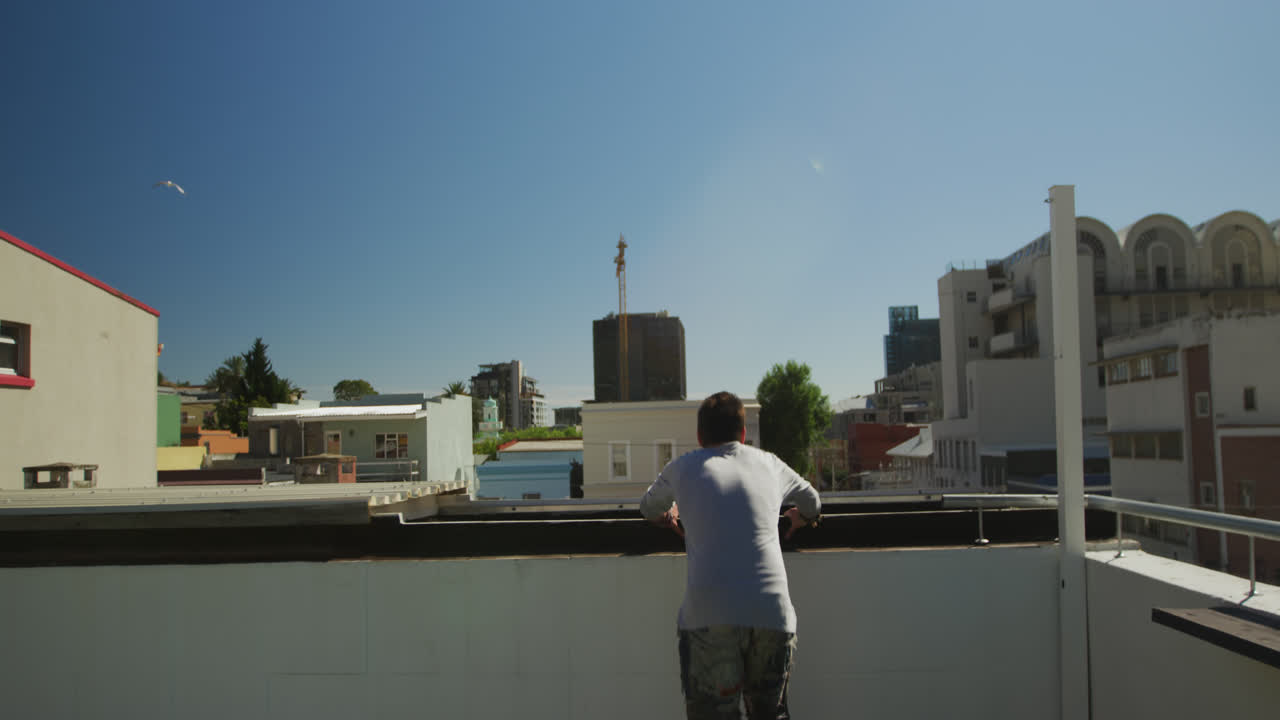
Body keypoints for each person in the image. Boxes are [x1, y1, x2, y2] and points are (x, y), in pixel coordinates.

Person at [640, 391, 821, 719]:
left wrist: (669, 516)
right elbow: (813, 502)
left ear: (699, 435)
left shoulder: (682, 467)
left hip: (709, 617)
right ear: (742, 435)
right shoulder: (769, 463)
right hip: (772, 614)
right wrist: (799, 517)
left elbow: (647, 507)